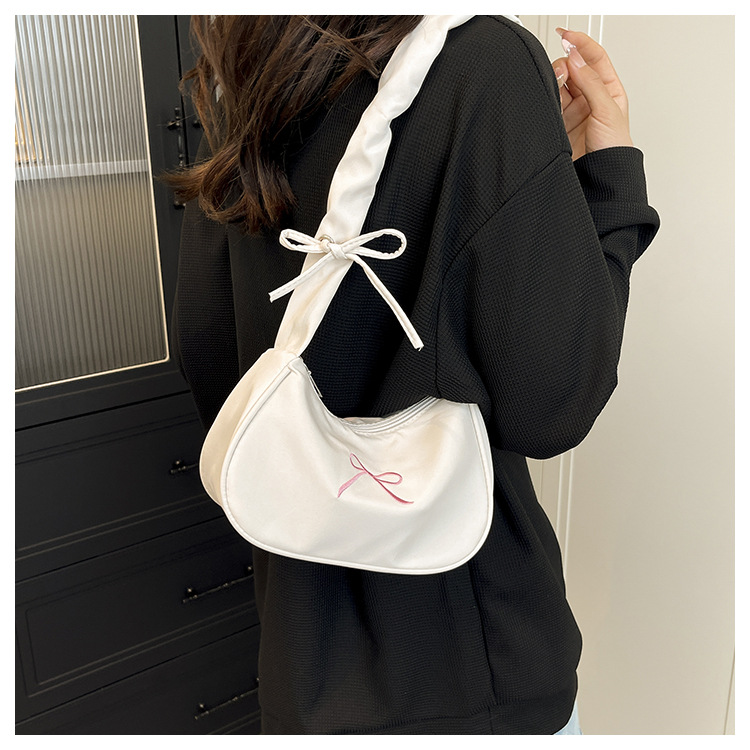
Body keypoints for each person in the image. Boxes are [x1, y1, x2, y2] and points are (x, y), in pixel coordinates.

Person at [169, 16, 659, 735]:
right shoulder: (483, 63)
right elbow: (555, 405)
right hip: (477, 681)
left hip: (306, 676)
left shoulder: (246, 85)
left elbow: (214, 366)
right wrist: (607, 178)